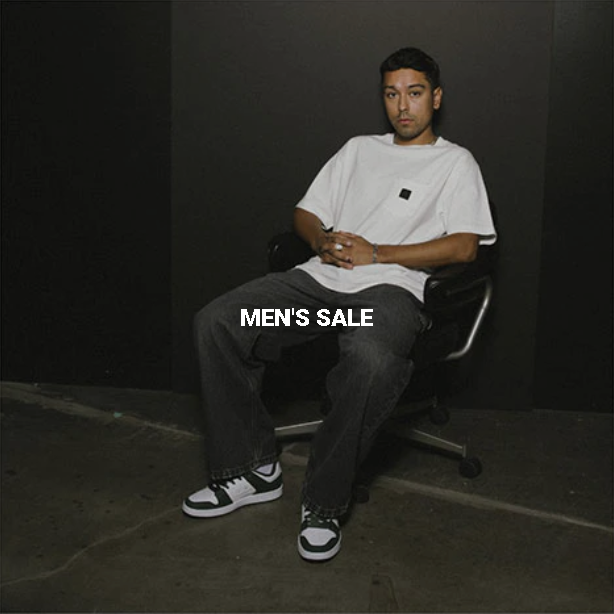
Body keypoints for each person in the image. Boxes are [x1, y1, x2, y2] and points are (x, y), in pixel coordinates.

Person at [183, 47, 497, 562]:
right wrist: (321, 240)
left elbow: (465, 246)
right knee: (219, 322)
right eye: (392, 94)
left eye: (415, 93)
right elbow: (306, 213)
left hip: (389, 292)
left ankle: (323, 502)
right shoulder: (358, 150)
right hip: (319, 291)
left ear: (436, 98)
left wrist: (379, 253)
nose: (403, 106)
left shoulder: (455, 163)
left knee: (370, 358)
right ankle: (250, 469)